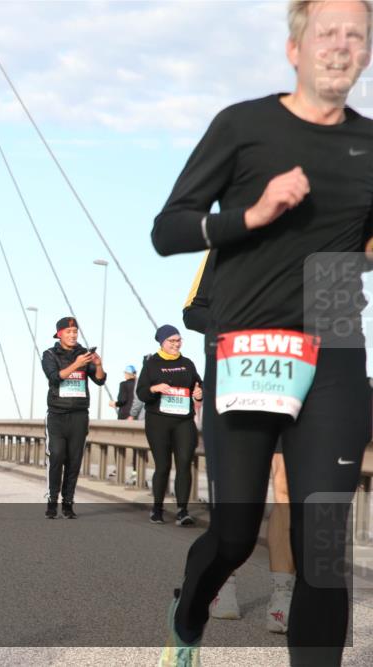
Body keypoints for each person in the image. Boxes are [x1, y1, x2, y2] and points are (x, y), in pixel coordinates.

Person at [153, 2, 372, 664]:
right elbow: (169, 228)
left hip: (334, 341)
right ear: (294, 49)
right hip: (248, 342)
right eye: (327, 31)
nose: (342, 44)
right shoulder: (243, 127)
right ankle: (188, 617)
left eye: (357, 34)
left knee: (324, 545)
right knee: (234, 533)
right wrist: (253, 212)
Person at [186, 253, 298, 633]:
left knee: (286, 490)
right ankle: (223, 583)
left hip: (289, 381)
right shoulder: (226, 241)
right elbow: (192, 311)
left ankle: (282, 596)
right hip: (237, 382)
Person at [135, 325, 203, 526]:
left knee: (184, 463)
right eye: (171, 341)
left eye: (178, 340)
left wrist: (199, 392)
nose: (176, 344)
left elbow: (199, 384)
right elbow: (141, 393)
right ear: (162, 342)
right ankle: (157, 509)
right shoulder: (151, 364)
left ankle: (182, 511)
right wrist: (154, 388)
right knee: (163, 465)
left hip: (183, 420)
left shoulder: (187, 363)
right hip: (158, 421)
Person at [40, 316, 106, 519]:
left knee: (74, 460)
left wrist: (99, 364)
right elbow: (54, 378)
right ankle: (52, 501)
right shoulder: (50, 354)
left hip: (79, 415)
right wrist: (76, 365)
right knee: (58, 455)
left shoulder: (84, 355)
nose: (73, 335)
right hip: (57, 415)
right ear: (59, 334)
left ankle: (68, 503)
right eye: (68, 332)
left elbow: (100, 380)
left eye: (75, 332)